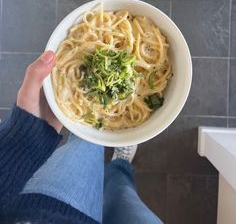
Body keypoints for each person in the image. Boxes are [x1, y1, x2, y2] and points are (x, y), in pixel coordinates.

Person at [0, 51, 163, 224]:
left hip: (34, 210)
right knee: (124, 193)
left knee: (87, 145)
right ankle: (119, 164)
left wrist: (20, 143)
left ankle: (110, 155)